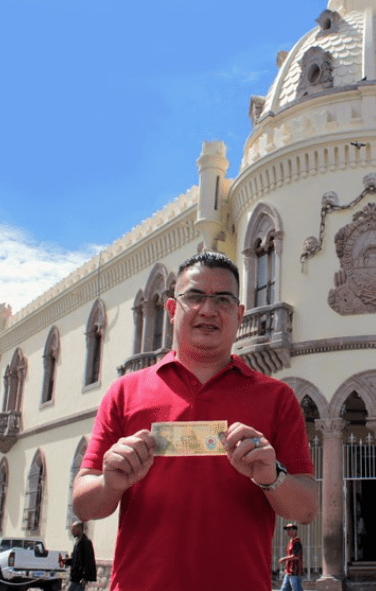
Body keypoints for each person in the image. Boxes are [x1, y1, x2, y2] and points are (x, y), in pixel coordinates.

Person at [72, 251, 318, 590]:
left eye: (223, 300)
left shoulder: (277, 398)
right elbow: (83, 504)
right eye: (195, 297)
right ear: (173, 310)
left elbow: (305, 509)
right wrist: (110, 483)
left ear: (239, 314)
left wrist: (271, 477)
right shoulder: (124, 392)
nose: (208, 310)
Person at [64, 521, 96, 591]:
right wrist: (66, 561)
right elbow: (76, 560)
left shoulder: (86, 542)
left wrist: (85, 578)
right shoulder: (77, 542)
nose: (72, 531)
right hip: (74, 578)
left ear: (79, 529)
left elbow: (89, 561)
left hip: (80, 578)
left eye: (73, 529)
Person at [278, 523, 304, 591]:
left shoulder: (297, 543)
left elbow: (296, 556)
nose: (287, 532)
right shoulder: (291, 542)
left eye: (289, 530)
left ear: (294, 531)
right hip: (289, 572)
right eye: (287, 530)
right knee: (284, 589)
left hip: (295, 572)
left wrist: (284, 559)